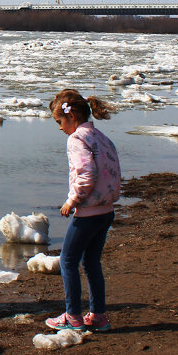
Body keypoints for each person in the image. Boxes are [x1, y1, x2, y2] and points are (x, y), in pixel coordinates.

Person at [45, 88, 122, 332]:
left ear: (72, 116)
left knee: (68, 260)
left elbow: (87, 173)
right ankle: (98, 315)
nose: (59, 128)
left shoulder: (76, 139)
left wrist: (72, 200)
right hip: (106, 210)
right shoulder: (100, 136)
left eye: (60, 121)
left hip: (88, 212)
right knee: (91, 262)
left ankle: (73, 317)